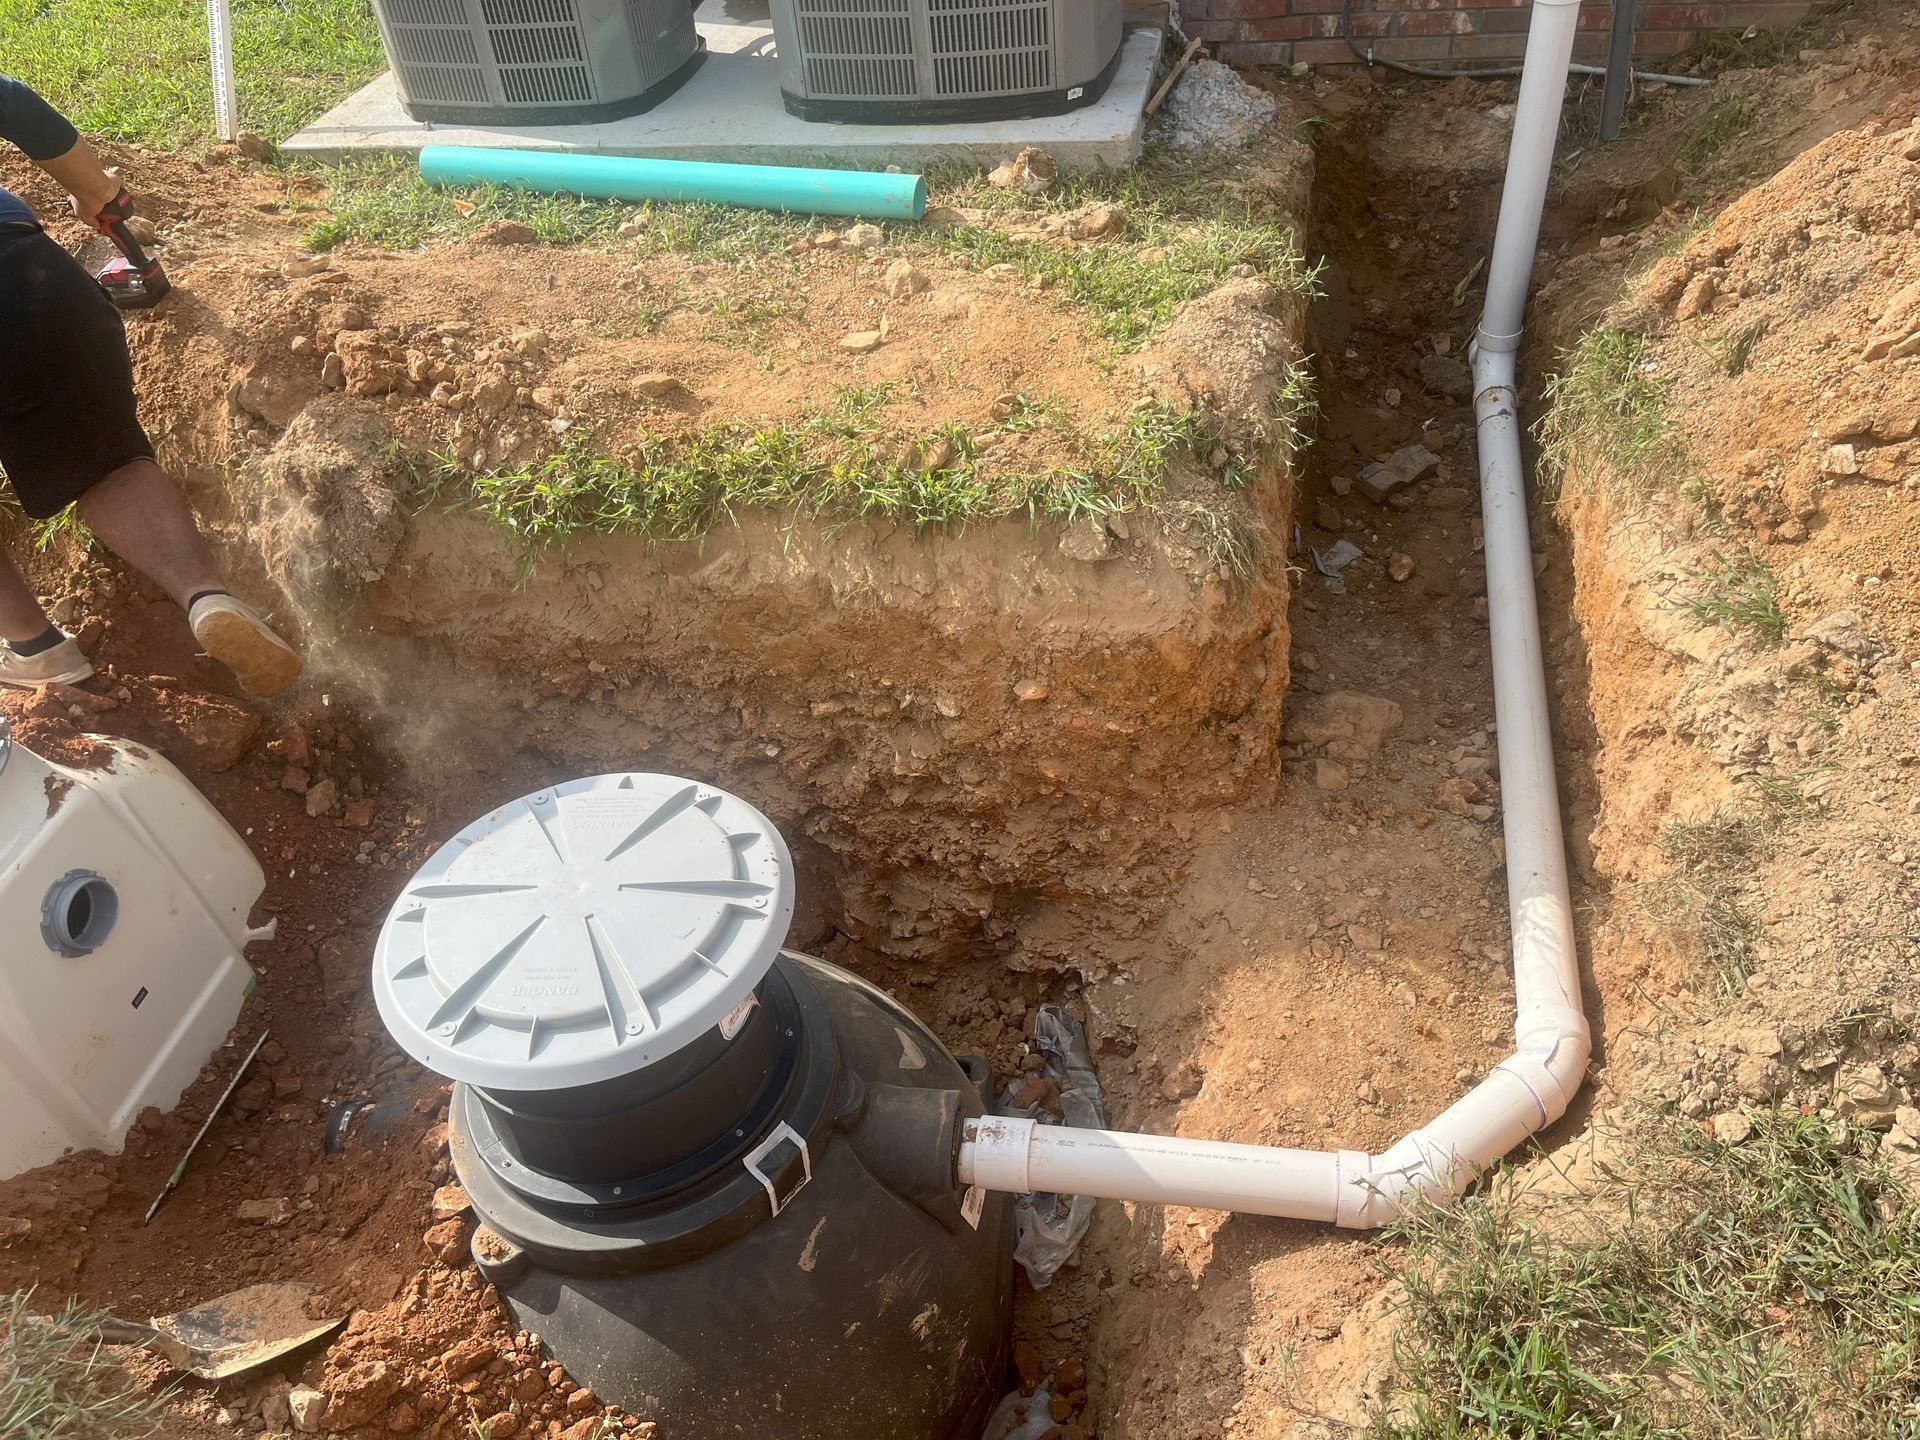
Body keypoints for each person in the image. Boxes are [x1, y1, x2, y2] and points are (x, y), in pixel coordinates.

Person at [0, 75, 301, 697]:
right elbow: (15, 103)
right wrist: (96, 192)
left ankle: (36, 649)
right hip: (30, 279)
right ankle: (207, 597)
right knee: (109, 465)